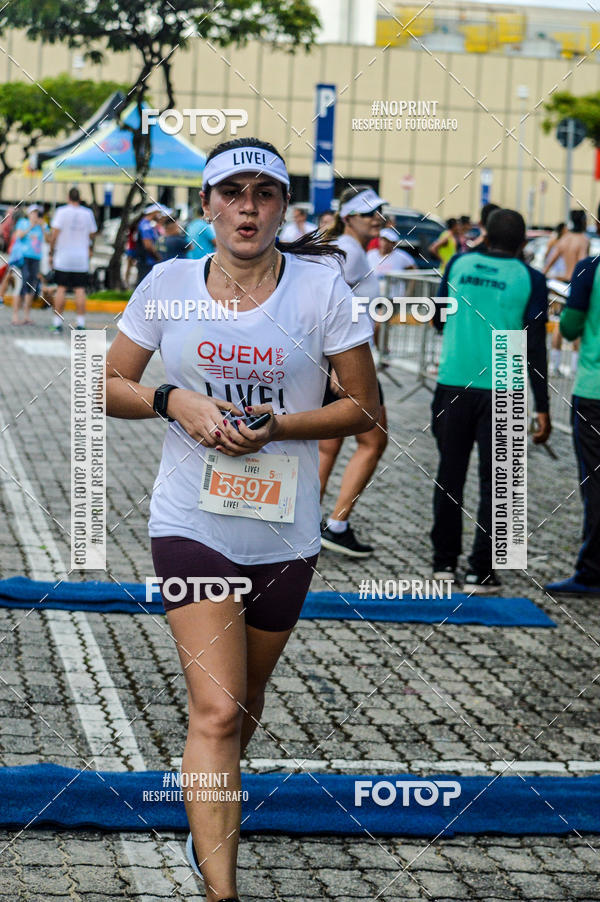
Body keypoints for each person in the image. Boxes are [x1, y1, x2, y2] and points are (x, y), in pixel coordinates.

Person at [106, 136, 379, 902]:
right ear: (207, 206)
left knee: (242, 709)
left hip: (285, 530)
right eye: (232, 193)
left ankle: (207, 801)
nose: (248, 208)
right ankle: (221, 888)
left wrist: (279, 426)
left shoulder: (322, 291)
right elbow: (108, 384)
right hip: (192, 518)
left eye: (264, 193)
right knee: (219, 709)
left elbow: (362, 411)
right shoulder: (167, 283)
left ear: (283, 207)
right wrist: (175, 400)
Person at [431, 208, 551, 593]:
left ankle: (443, 564)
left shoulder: (459, 263)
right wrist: (543, 405)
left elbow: (437, 318)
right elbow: (535, 344)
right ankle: (481, 571)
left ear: (484, 235)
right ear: (521, 243)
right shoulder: (531, 278)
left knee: (450, 474)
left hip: (453, 380)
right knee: (501, 484)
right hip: (506, 380)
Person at [319, 184, 389, 556]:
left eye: (379, 212)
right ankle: (337, 524)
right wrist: (334, 365)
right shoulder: (349, 251)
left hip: (344, 361)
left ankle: (299, 523)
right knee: (373, 441)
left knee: (329, 444)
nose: (377, 219)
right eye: (368, 214)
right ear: (349, 219)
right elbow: (330, 306)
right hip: (351, 364)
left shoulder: (350, 250)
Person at [545, 252, 600, 594]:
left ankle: (593, 571)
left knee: (596, 484)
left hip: (594, 392)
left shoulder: (590, 269)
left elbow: (569, 327)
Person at [543, 210, 589, 376]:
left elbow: (550, 261)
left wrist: (545, 275)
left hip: (560, 285)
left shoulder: (564, 239)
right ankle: (575, 368)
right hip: (575, 285)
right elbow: (582, 265)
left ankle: (553, 366)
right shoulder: (583, 240)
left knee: (559, 324)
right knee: (578, 323)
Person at [49, 188, 97, 333]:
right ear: (80, 197)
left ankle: (57, 323)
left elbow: (54, 234)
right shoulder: (87, 213)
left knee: (61, 289)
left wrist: (51, 251)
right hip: (81, 258)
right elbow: (93, 233)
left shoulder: (61, 212)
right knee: (80, 290)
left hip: (63, 257)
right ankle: (81, 322)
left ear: (68, 197)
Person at [11, 204, 45, 325]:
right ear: (29, 214)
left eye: (37, 213)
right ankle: (15, 315)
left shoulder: (41, 226)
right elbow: (18, 235)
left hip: (36, 258)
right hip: (24, 257)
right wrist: (31, 226)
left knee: (32, 286)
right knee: (23, 284)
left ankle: (26, 315)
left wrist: (42, 226)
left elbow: (48, 237)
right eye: (33, 213)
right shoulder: (23, 223)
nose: (35, 215)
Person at [367, 226, 416, 297]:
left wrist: (408, 293)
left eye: (388, 241)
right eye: (382, 240)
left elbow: (414, 272)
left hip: (394, 298)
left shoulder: (402, 256)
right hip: (374, 297)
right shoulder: (370, 255)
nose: (384, 243)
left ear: (394, 244)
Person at [135, 203, 163, 284]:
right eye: (158, 212)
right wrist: (158, 257)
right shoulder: (146, 225)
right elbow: (148, 245)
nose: (159, 215)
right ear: (152, 212)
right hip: (146, 261)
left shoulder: (145, 223)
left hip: (146, 260)